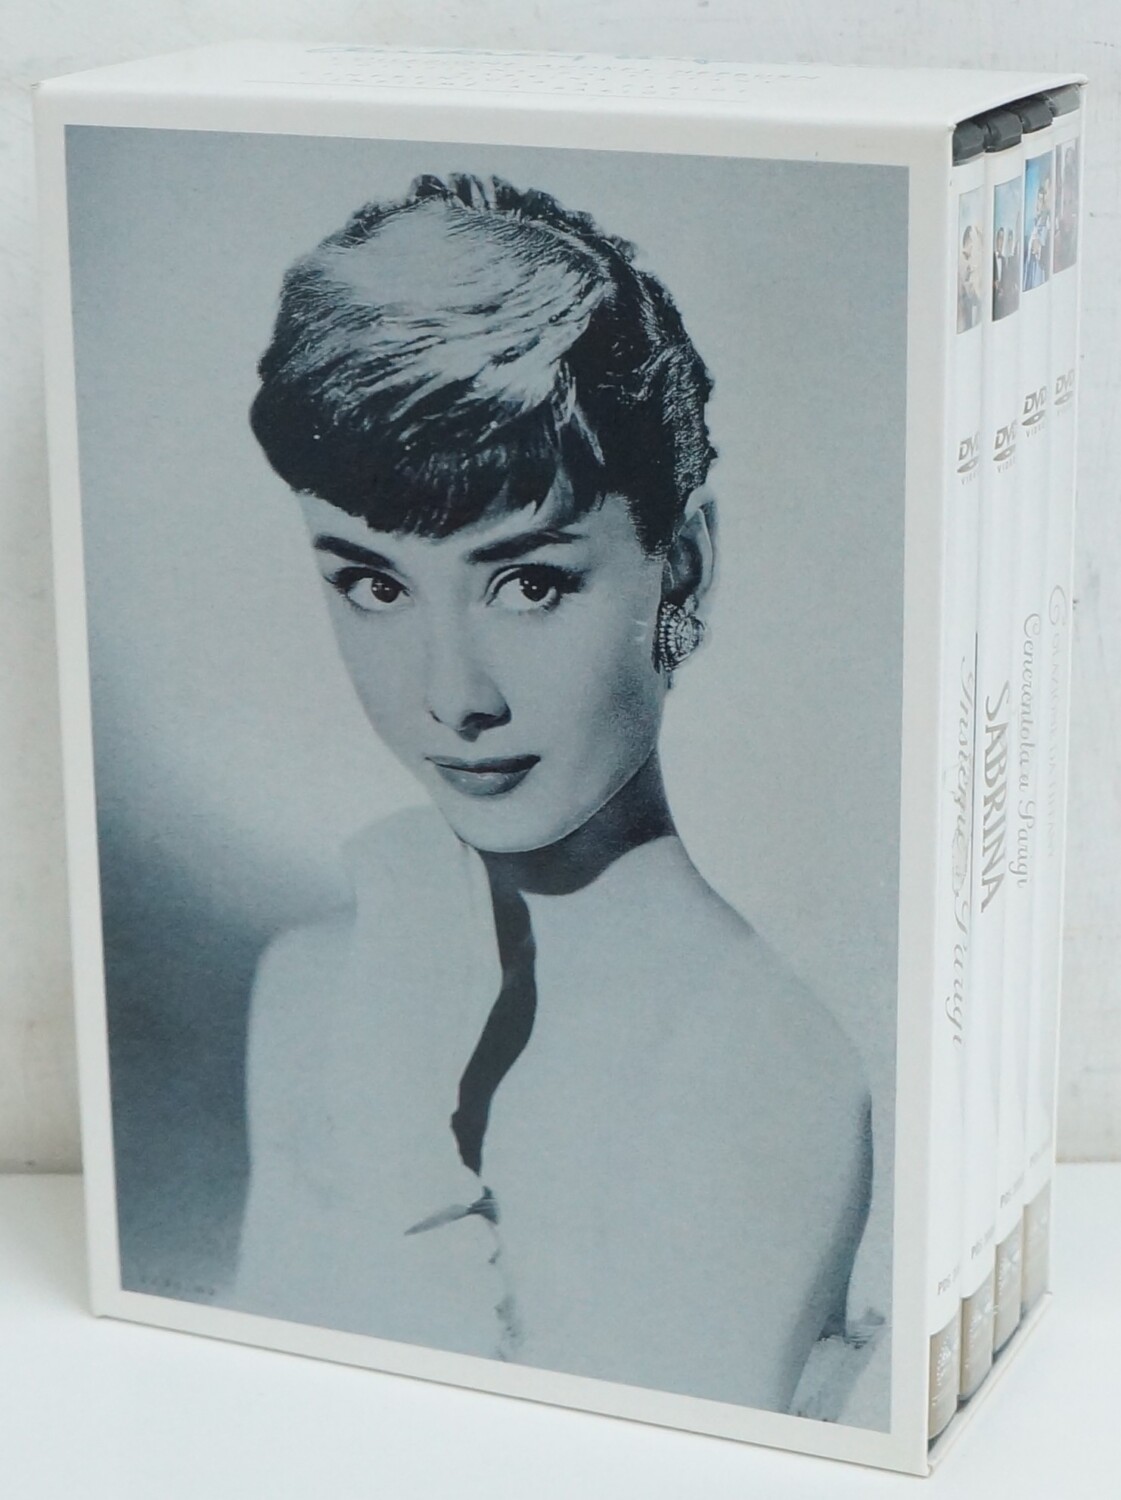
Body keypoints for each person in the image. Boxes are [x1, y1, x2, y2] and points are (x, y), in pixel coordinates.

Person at [230, 172, 874, 1417]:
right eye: (372, 585)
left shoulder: (761, 1070)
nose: (453, 695)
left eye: (527, 583)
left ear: (683, 568)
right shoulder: (310, 991)